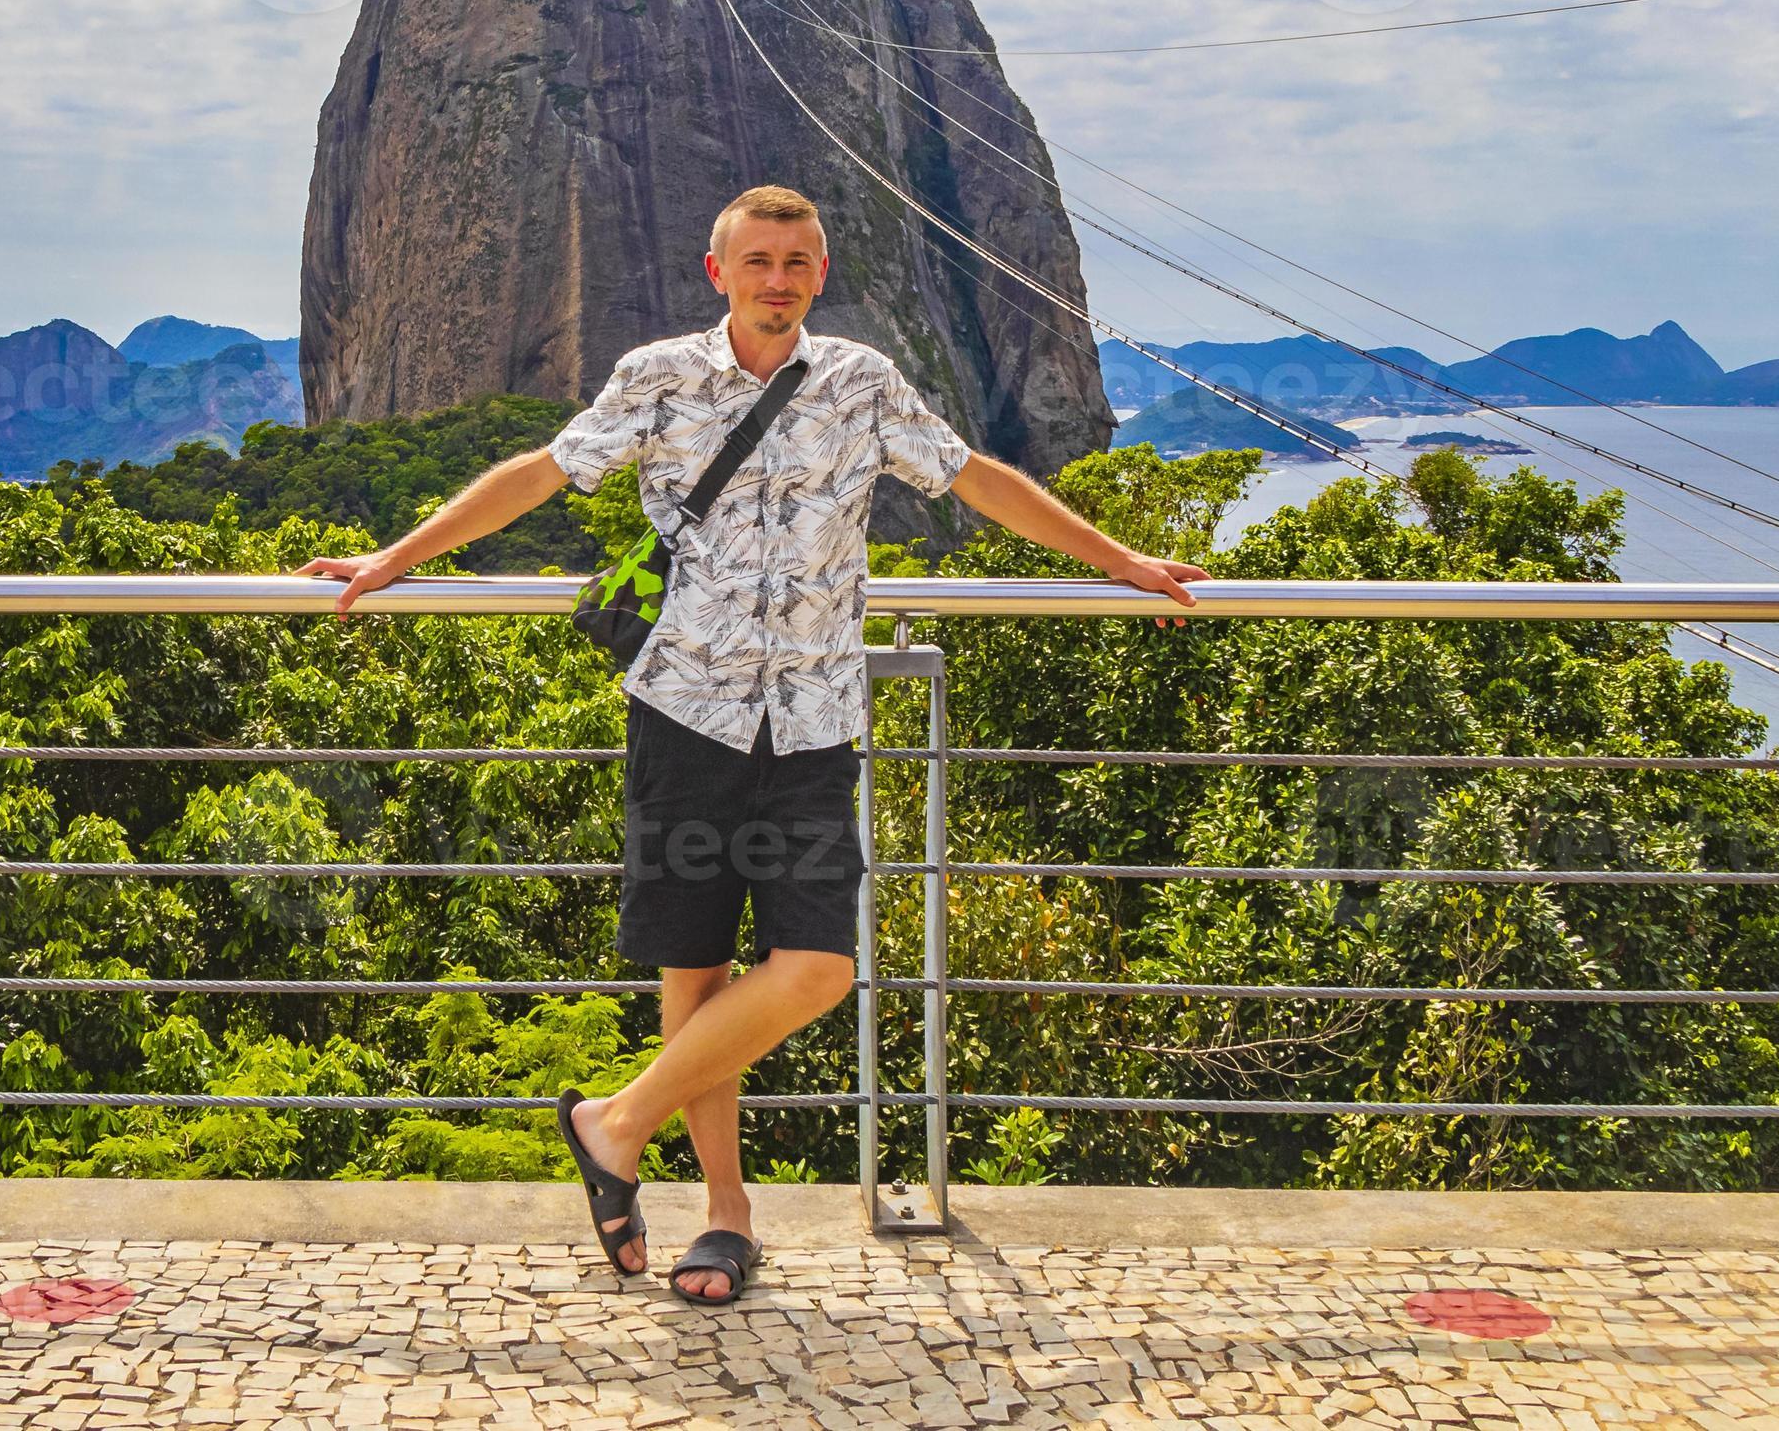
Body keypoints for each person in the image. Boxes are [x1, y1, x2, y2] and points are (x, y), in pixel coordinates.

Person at [296, 184, 1207, 1305]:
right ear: (717, 269)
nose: (781, 276)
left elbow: (977, 478)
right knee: (698, 978)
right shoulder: (658, 376)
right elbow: (540, 470)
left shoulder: (862, 383)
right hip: (685, 715)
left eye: (800, 259)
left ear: (820, 273)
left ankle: (610, 1123)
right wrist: (398, 554)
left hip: (816, 721)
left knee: (817, 967)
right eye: (760, 259)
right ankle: (724, 1219)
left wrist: (1119, 559)